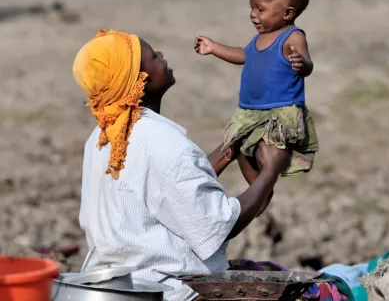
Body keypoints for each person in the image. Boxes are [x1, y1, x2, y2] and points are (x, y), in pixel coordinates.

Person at [72, 29, 290, 301]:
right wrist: (270, 171)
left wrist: (227, 151)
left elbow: (171, 188)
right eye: (153, 56)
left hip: (117, 288)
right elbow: (220, 226)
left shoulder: (103, 137)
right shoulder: (164, 143)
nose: (162, 56)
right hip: (170, 292)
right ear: (140, 79)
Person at [194, 0, 319, 216]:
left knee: (265, 161)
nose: (252, 14)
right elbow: (244, 55)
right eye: (251, 7)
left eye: (260, 9)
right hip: (249, 114)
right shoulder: (258, 39)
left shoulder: (292, 36)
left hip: (278, 115)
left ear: (287, 13)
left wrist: (301, 64)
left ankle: (258, 192)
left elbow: (308, 63)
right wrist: (214, 47)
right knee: (237, 154)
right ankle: (250, 196)